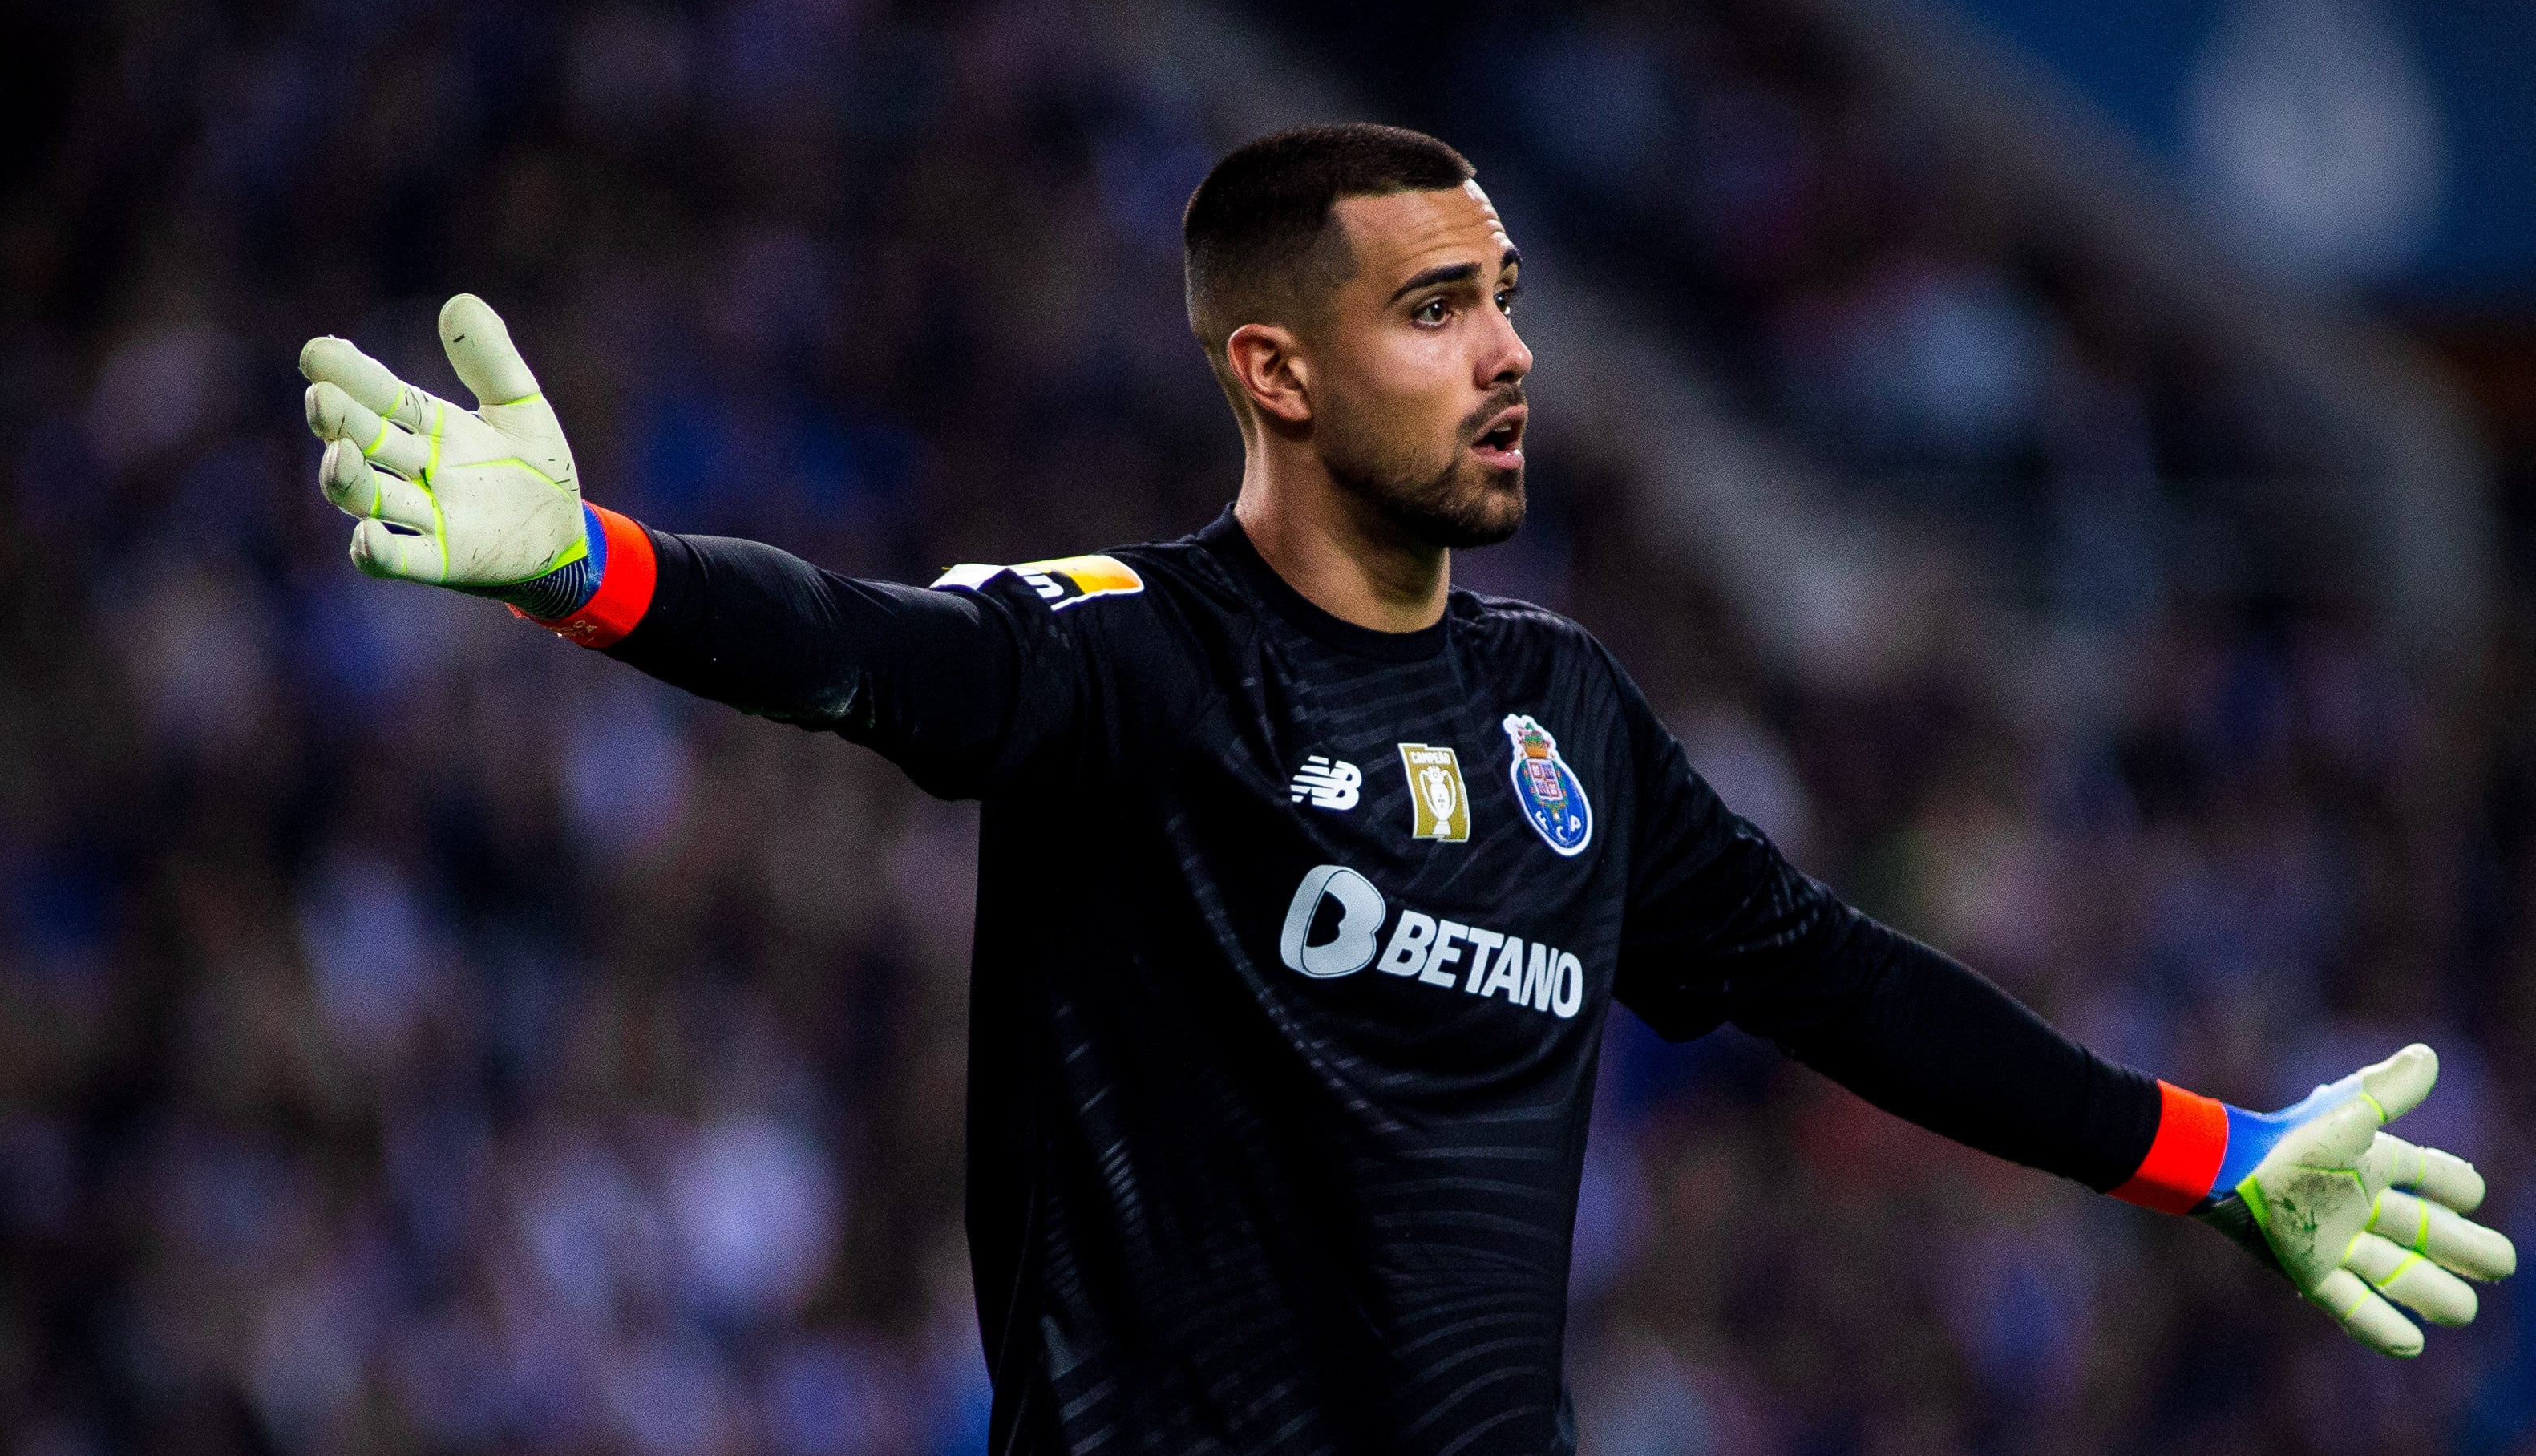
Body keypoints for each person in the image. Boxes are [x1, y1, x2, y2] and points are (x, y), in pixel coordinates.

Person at [296, 124, 2512, 1454]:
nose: (1512, 350)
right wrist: (590, 566)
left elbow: (1834, 980)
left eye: (1512, 299)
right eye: (1438, 307)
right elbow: (872, 651)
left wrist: (2217, 1157)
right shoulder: (1126, 661)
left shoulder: (1569, 714)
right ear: (1274, 367)